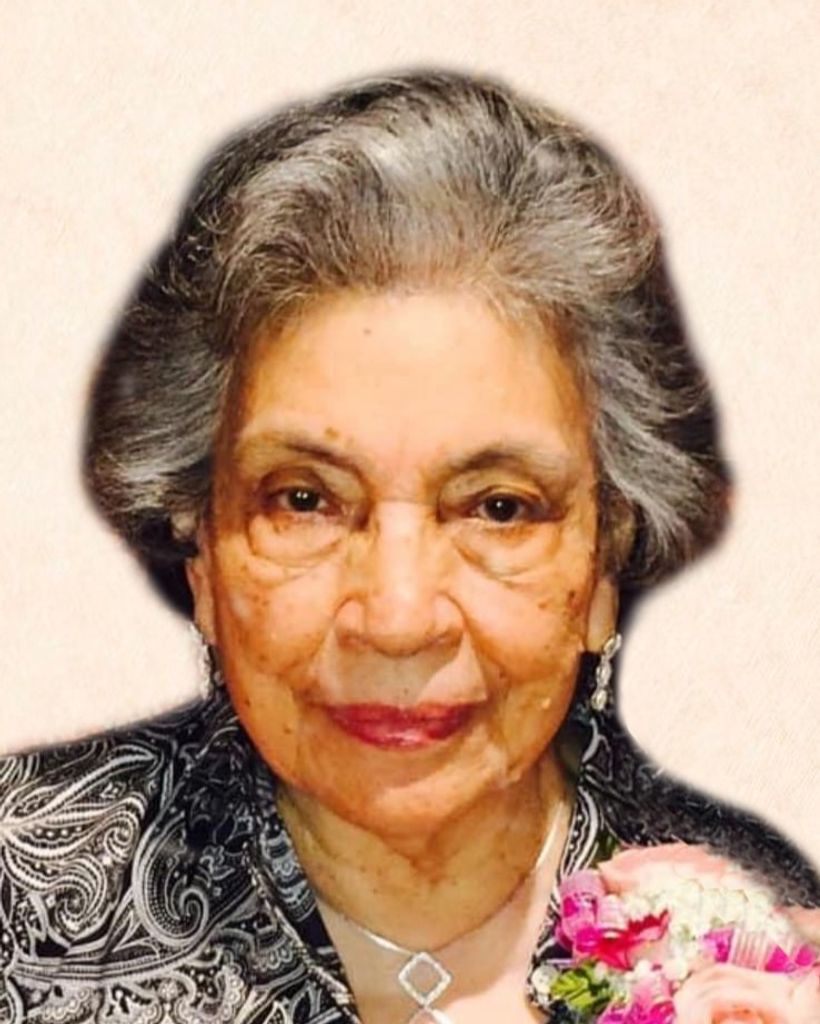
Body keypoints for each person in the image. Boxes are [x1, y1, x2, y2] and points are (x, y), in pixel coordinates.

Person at [0, 70, 817, 1024]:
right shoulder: (20, 901)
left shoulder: (763, 925)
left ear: (604, 565)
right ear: (204, 559)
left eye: (499, 508)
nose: (397, 617)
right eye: (304, 500)